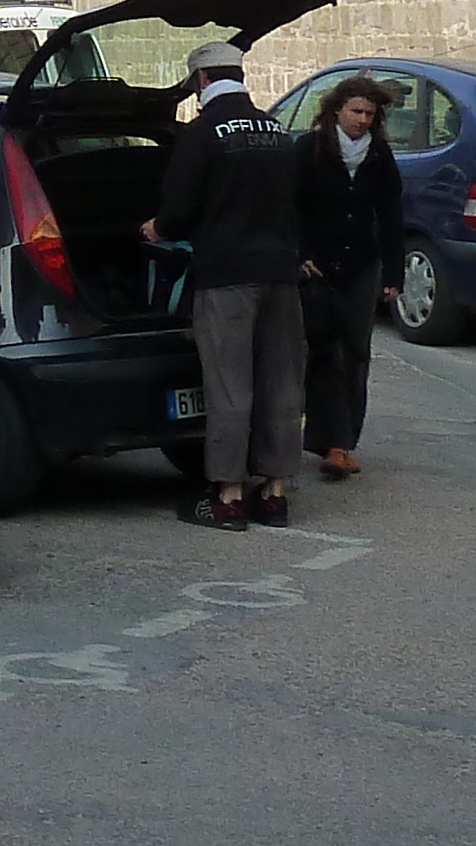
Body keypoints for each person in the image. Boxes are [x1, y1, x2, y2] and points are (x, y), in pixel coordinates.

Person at [141, 39, 306, 528]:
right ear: (240, 74)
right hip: (280, 273)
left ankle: (229, 496)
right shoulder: (278, 131)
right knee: (282, 382)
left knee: (230, 385)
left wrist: (157, 230)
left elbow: (178, 210)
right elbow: (300, 203)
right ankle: (275, 492)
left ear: (200, 81)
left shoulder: (202, 133)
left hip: (227, 276)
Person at [297, 74, 405, 477]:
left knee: (354, 354)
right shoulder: (310, 150)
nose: (362, 120)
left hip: (361, 267)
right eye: (356, 111)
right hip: (316, 268)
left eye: (369, 114)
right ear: (336, 110)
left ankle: (341, 444)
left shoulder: (378, 155)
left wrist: (394, 273)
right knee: (319, 352)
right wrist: (302, 255)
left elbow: (392, 214)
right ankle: (313, 436)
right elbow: (291, 206)